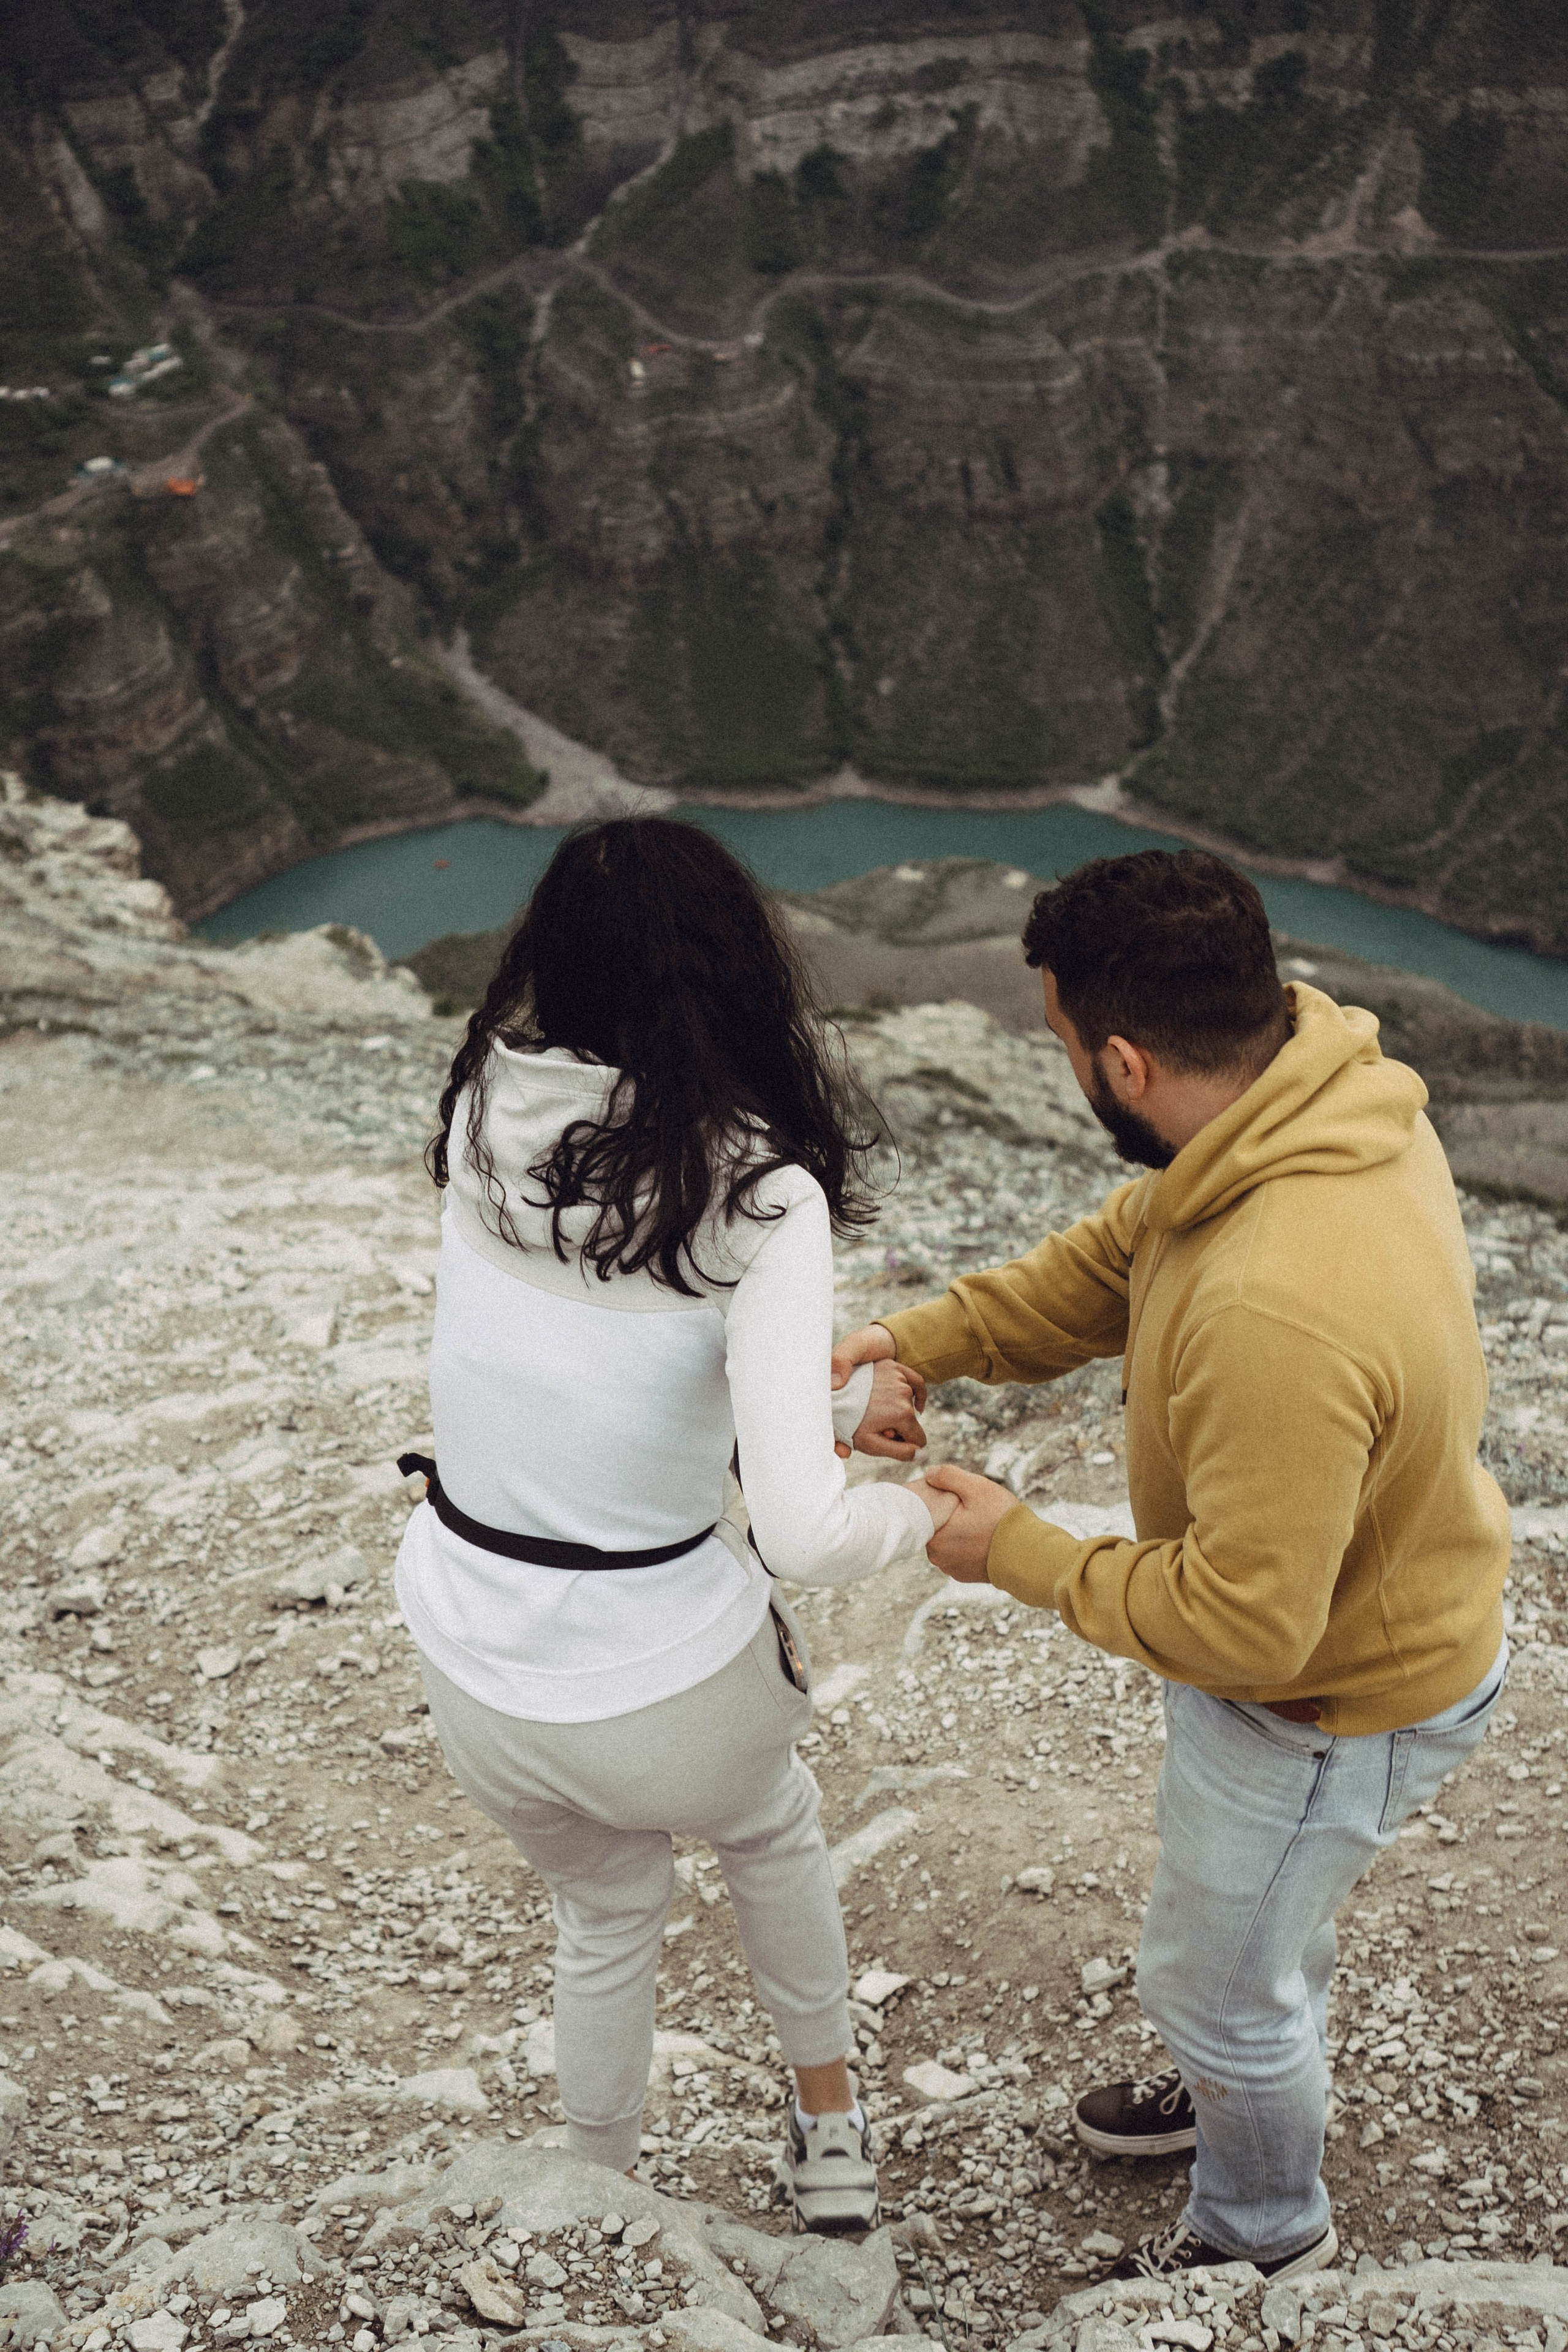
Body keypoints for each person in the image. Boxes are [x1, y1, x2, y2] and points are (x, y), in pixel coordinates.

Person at [832, 848, 1510, 2281]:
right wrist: (924, 1339)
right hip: (1349, 1641)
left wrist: (1012, 1549)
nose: (1068, 1067)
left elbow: (1249, 1631)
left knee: (1210, 1980)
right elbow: (1128, 1249)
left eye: (1066, 1046)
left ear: (1121, 1061)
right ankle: (1233, 2080)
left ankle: (1262, 2244)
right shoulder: (1307, 1107)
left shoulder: (1279, 1301)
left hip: (1323, 1704)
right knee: (1261, 1928)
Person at [395, 816, 940, 2236]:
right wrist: (920, 1511)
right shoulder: (759, 1194)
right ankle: (828, 2130)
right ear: (736, 975)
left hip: (465, 1658)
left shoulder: (478, 1115)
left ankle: (596, 2205)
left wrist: (819, 1416)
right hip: (656, 1691)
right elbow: (809, 1538)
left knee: (605, 1909)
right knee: (766, 1825)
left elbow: (589, 1374)